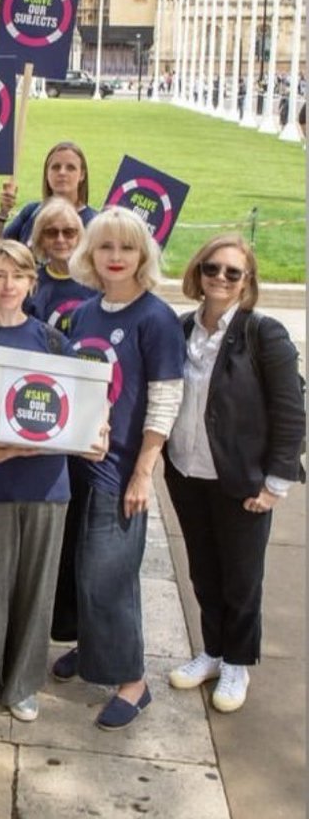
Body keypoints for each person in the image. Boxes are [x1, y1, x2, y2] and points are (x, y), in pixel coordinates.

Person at [0, 241, 108, 722]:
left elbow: (79, 413)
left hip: (44, 484)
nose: (7, 285)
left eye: (17, 276)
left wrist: (92, 434)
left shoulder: (53, 342)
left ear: (31, 283)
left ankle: (21, 686)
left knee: (35, 589)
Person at [51, 208, 185, 729]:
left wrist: (142, 472)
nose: (114, 257)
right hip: (78, 465)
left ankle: (133, 680)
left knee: (111, 577)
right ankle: (91, 649)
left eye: (125, 248)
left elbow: (164, 399)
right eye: (105, 247)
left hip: (120, 470)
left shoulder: (155, 319)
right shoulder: (85, 313)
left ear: (142, 256)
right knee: (80, 569)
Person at [164, 236, 304, 713]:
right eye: (211, 268)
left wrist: (276, 483)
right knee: (204, 569)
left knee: (241, 578)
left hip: (241, 479)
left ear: (248, 282)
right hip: (187, 471)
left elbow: (290, 412)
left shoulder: (264, 334)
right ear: (197, 273)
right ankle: (213, 651)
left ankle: (238, 662)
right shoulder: (181, 329)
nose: (219, 278)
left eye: (232, 272)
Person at [0, 141, 96, 248]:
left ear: (82, 175)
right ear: (46, 173)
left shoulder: (93, 222)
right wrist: (3, 213)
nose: (62, 172)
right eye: (56, 167)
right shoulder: (31, 211)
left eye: (70, 168)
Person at [26, 200, 97, 335]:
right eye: (51, 232)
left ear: (79, 237)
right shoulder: (30, 285)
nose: (60, 239)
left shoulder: (98, 281)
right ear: (40, 239)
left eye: (69, 232)